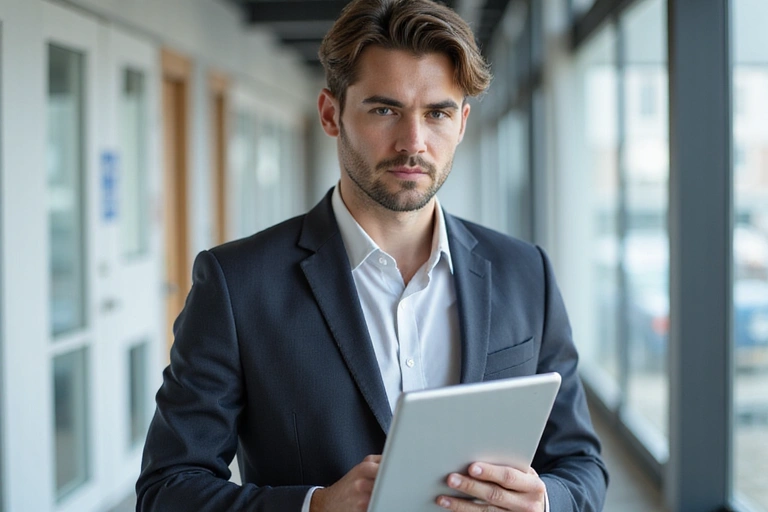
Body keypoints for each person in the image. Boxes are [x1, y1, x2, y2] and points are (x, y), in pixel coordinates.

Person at [136, 0, 608, 510]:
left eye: (437, 113)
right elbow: (167, 488)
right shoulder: (237, 284)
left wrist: (544, 502)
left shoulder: (525, 273)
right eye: (385, 109)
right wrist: (313, 506)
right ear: (330, 114)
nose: (413, 142)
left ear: (463, 122)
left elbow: (581, 465)